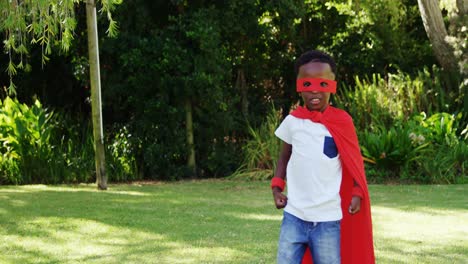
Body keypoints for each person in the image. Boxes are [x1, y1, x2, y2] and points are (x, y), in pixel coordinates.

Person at [271, 50, 375, 264]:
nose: (315, 91)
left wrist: (357, 191)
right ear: (299, 87)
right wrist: (276, 187)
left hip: (328, 219)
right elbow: (284, 156)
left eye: (322, 84)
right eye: (307, 85)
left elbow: (354, 161)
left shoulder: (342, 121)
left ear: (333, 84)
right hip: (294, 216)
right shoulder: (293, 121)